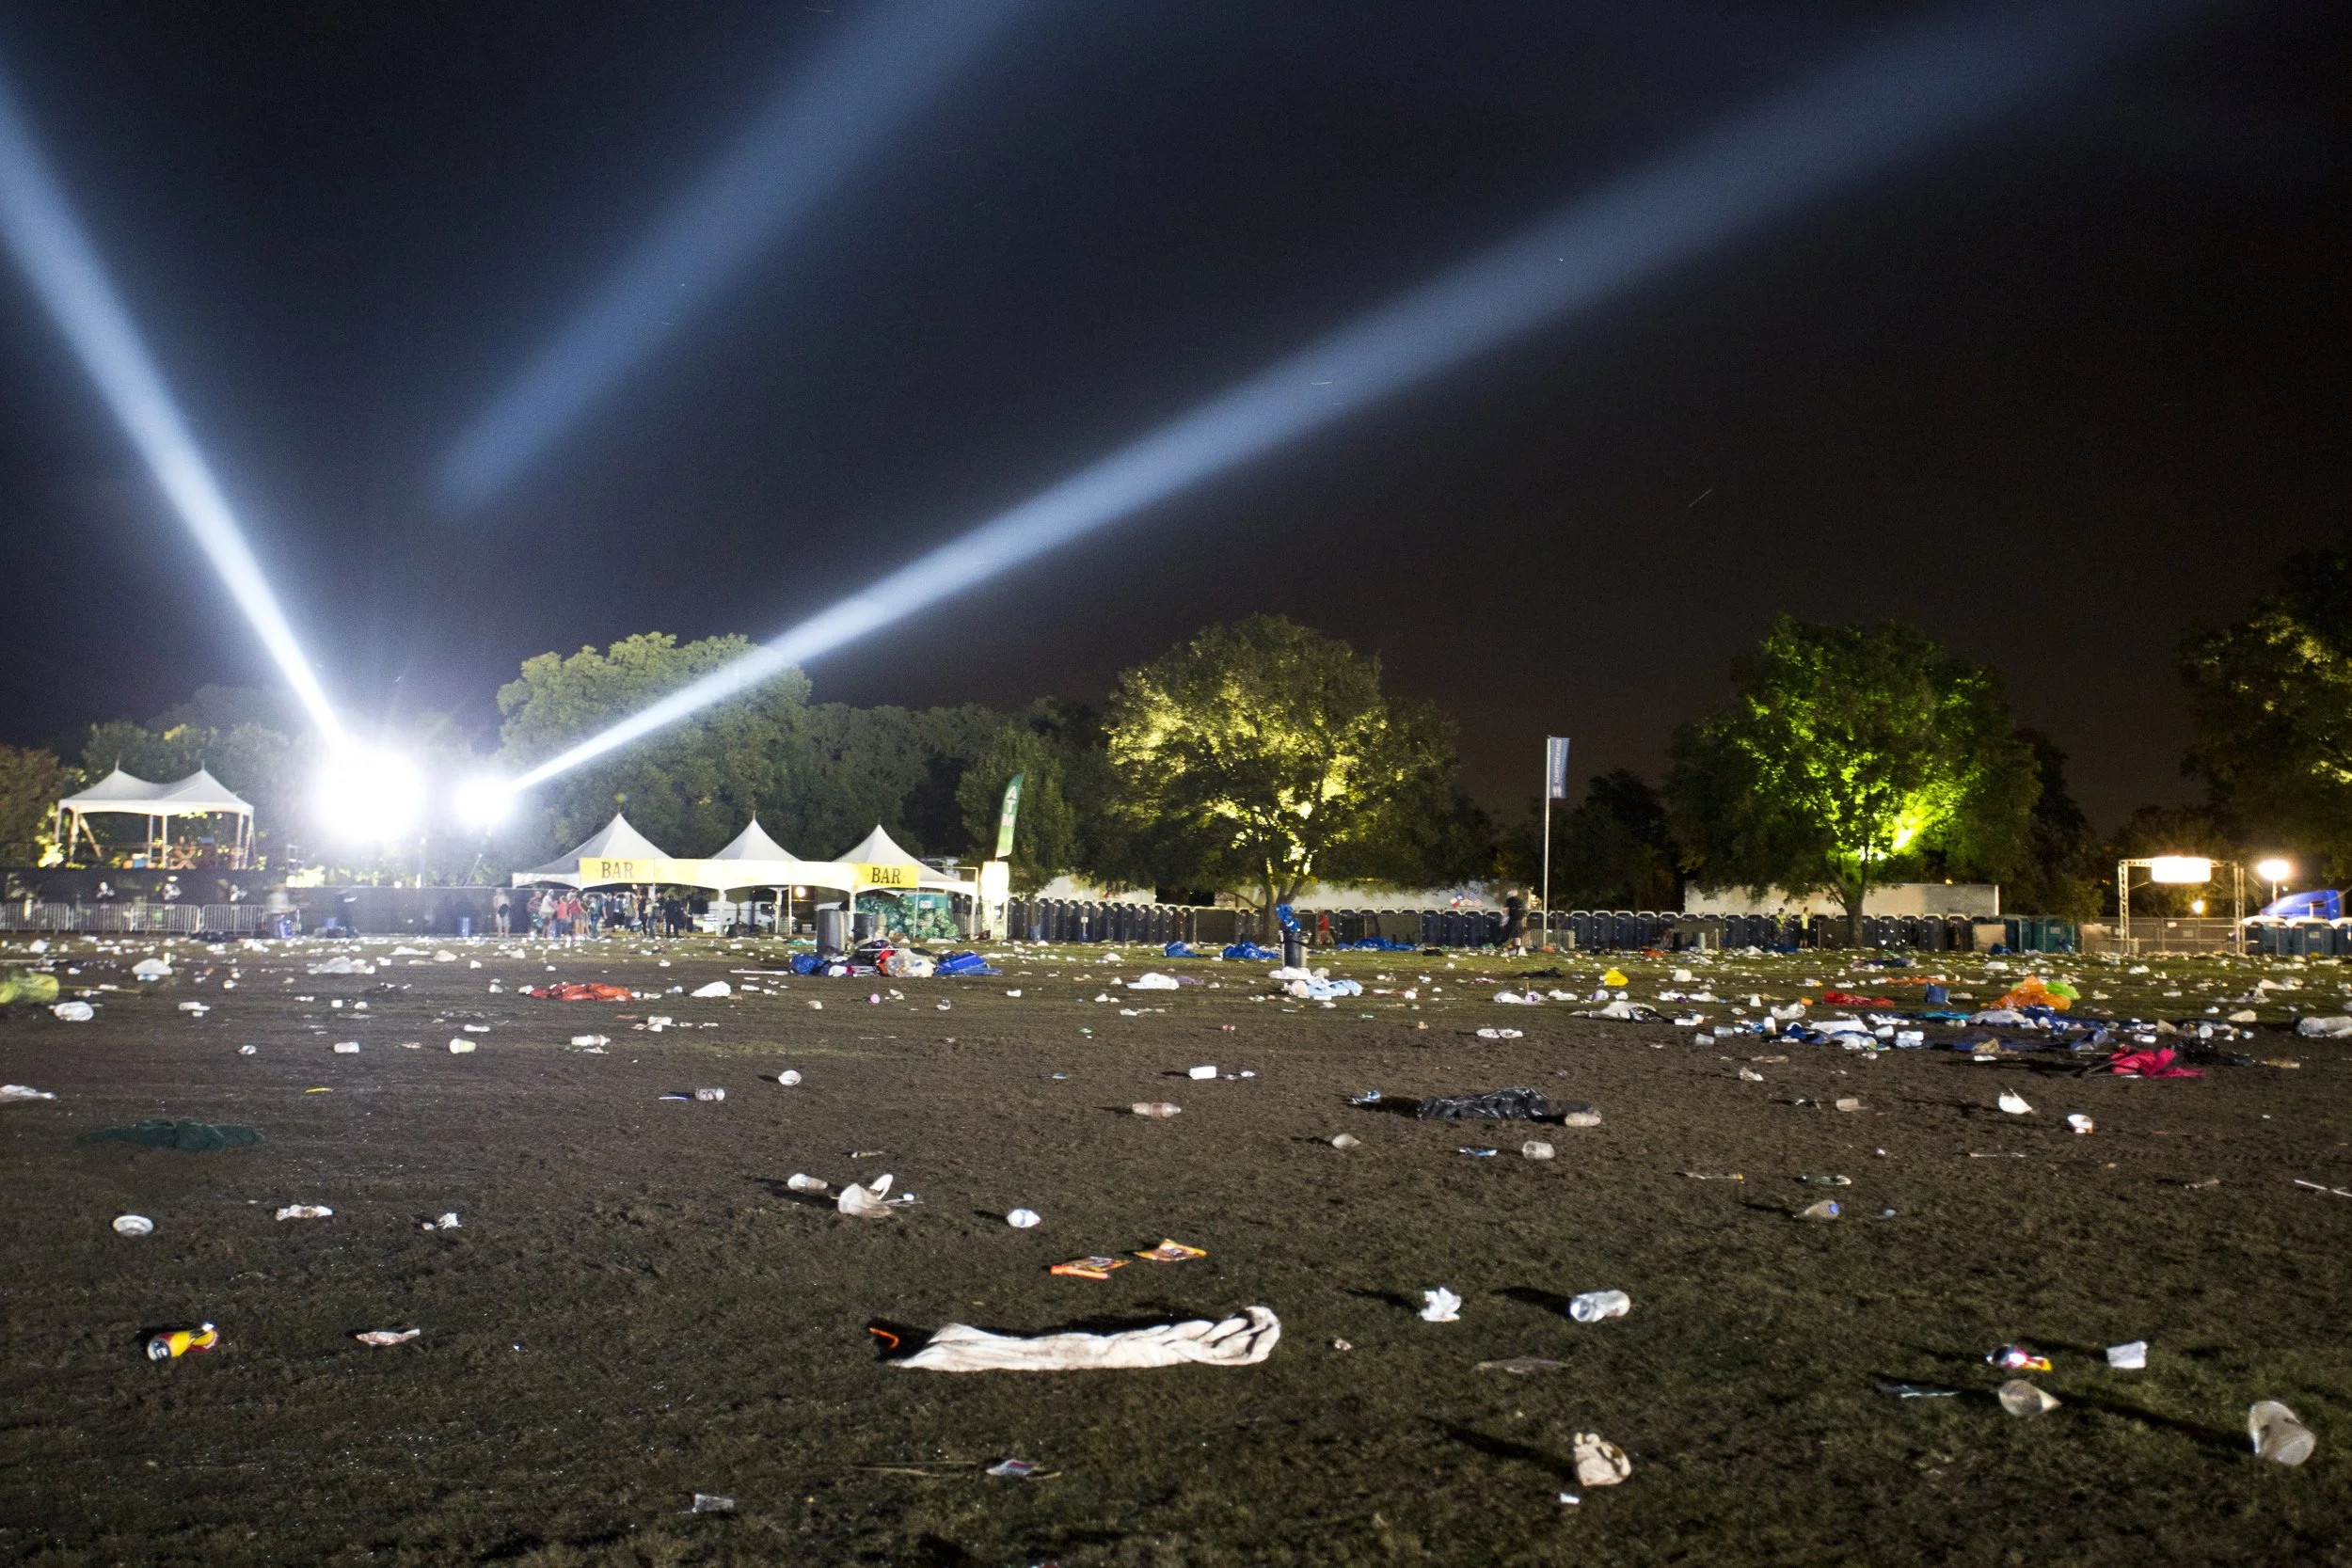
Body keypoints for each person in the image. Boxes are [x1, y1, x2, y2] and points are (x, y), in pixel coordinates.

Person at [1500, 888, 1528, 955]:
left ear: (1511, 894)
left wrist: (1503, 921)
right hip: (1519, 920)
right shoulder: (1521, 901)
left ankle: (1506, 949)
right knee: (1517, 936)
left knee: (1508, 934)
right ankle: (1517, 952)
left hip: (1512, 920)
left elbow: (1506, 910)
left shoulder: (1509, 900)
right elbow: (1525, 911)